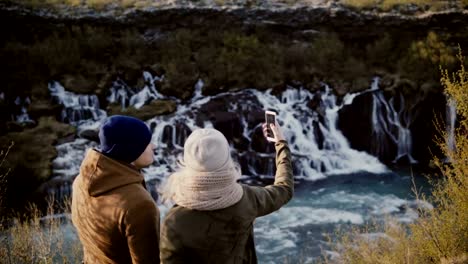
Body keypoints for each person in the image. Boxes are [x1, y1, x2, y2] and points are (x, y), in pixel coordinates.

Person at [160, 121, 293, 263]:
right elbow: (284, 188)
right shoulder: (247, 198)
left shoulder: (174, 221)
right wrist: (280, 143)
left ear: (187, 159)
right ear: (226, 159)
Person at [71, 115, 160, 264]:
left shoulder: (81, 181)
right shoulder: (139, 205)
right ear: (132, 150)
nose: (154, 146)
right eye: (147, 142)